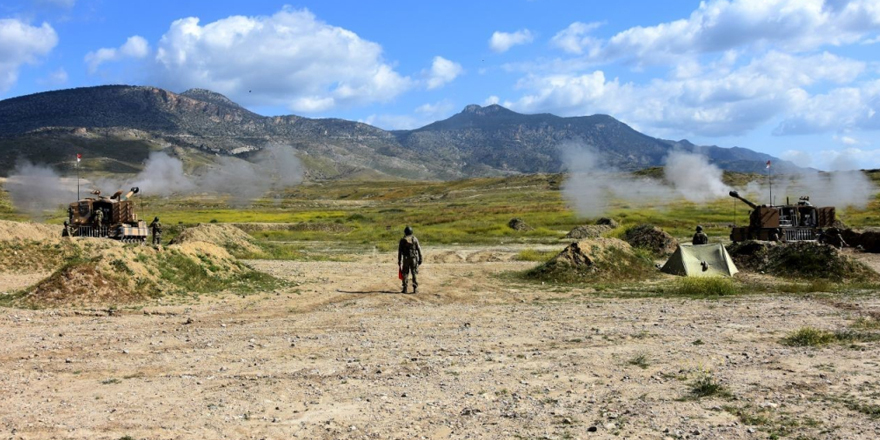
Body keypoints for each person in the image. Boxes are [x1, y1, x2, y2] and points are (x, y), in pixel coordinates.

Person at [397, 226, 423, 294]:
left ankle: (405, 288)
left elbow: (400, 251)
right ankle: (415, 289)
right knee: (414, 273)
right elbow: (419, 249)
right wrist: (420, 258)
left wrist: (399, 260)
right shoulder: (414, 239)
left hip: (405, 259)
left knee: (405, 273)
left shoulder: (402, 240)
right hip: (413, 258)